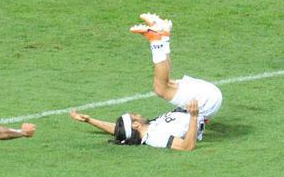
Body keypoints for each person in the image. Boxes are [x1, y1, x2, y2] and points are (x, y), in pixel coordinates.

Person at [70, 13, 223, 151]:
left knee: (165, 84)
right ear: (136, 125)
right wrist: (194, 116)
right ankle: (157, 40)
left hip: (201, 100)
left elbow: (119, 130)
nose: (138, 114)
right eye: (135, 116)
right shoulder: (155, 138)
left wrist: (90, 120)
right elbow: (187, 147)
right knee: (161, 89)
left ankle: (163, 35)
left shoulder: (147, 129)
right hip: (204, 104)